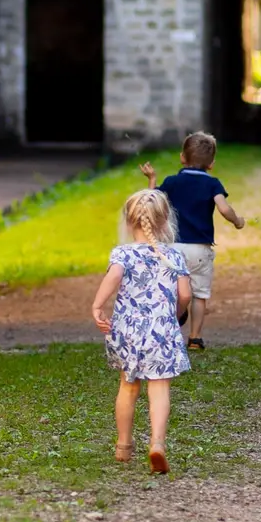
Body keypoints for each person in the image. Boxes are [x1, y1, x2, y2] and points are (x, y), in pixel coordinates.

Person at [90, 189, 192, 475]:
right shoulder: (174, 256)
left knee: (128, 386)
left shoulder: (122, 254)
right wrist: (176, 313)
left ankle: (123, 444)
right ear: (164, 221)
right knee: (159, 389)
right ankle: (157, 444)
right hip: (161, 329)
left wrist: (98, 306)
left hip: (128, 330)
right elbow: (184, 294)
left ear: (129, 221)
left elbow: (113, 279)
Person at [139, 131, 246, 351]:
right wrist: (237, 221)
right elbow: (224, 209)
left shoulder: (172, 182)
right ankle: (195, 337)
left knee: (168, 290)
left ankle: (166, 332)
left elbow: (152, 202)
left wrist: (152, 180)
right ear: (212, 164)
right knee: (199, 294)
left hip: (171, 248)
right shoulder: (213, 184)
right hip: (199, 249)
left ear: (182, 158)